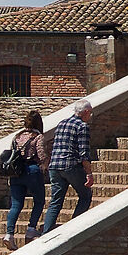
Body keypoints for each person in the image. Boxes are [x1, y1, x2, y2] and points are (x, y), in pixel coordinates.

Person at [39, 98, 93, 233]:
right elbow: (84, 152)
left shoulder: (62, 123)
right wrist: (89, 173)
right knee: (85, 195)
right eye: (90, 113)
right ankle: (73, 228)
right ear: (86, 112)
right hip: (70, 165)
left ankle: (46, 232)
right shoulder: (82, 126)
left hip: (55, 166)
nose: (91, 116)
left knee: (56, 200)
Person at [1, 110, 45, 248]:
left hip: (16, 173)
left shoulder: (17, 136)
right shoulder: (37, 137)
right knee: (39, 200)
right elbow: (42, 155)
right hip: (32, 170)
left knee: (16, 204)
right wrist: (45, 166)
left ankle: (9, 234)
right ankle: (31, 230)